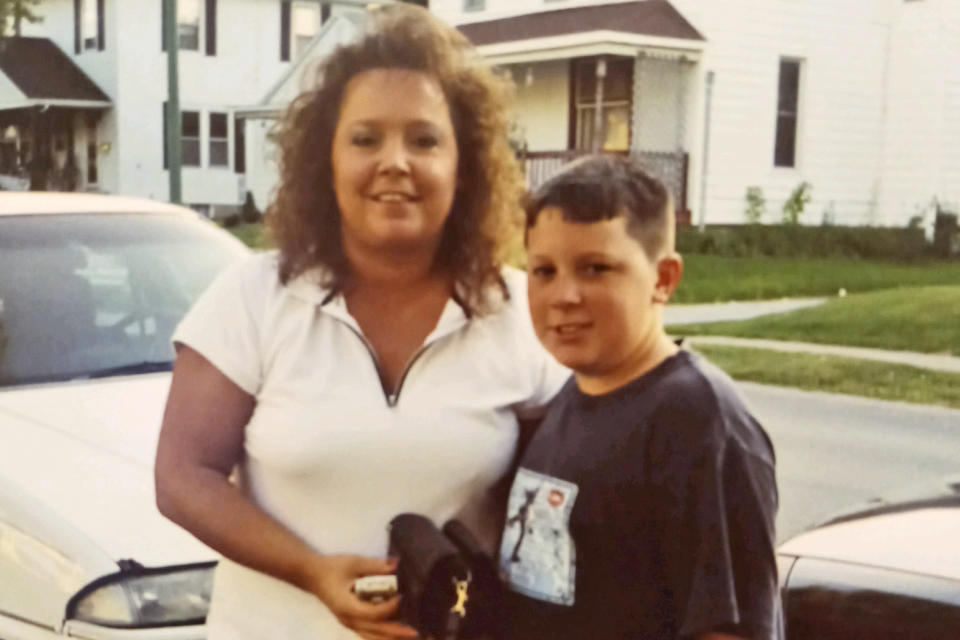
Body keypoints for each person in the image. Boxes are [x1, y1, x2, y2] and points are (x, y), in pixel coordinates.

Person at [153, 6, 567, 640]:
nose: (395, 162)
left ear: (465, 164)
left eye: (425, 140)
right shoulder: (254, 296)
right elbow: (183, 477)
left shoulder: (517, 310)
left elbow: (558, 499)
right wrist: (311, 571)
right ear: (328, 159)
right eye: (366, 138)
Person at [499, 155, 782, 639]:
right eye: (543, 271)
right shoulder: (570, 396)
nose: (564, 295)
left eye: (595, 269)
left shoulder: (697, 421)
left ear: (664, 278)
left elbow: (727, 626)